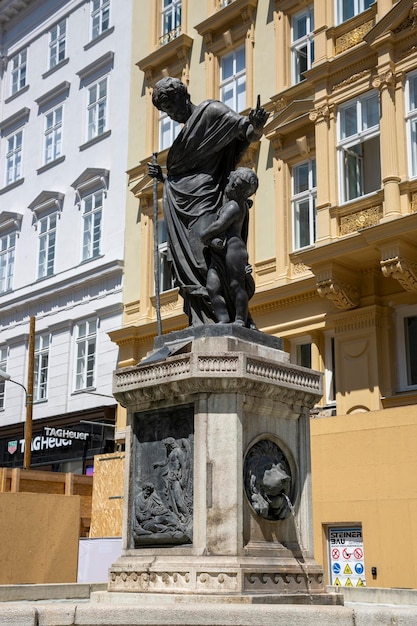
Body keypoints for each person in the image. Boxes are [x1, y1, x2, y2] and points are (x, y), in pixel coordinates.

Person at [148, 78, 268, 326]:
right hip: (181, 205)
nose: (171, 114)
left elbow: (245, 132)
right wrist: (164, 179)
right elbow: (182, 175)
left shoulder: (211, 111)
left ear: (183, 95)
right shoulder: (183, 137)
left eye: (171, 106)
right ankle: (204, 320)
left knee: (207, 259)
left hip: (208, 198)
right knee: (190, 263)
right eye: (166, 111)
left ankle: (237, 319)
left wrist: (256, 126)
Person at [200, 167, 258, 327]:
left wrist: (204, 236)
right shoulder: (232, 203)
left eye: (232, 183)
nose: (228, 184)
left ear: (237, 189)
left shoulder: (234, 206)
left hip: (234, 250)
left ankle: (240, 319)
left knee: (236, 285)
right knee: (212, 286)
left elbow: (219, 225)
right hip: (221, 251)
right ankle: (224, 318)